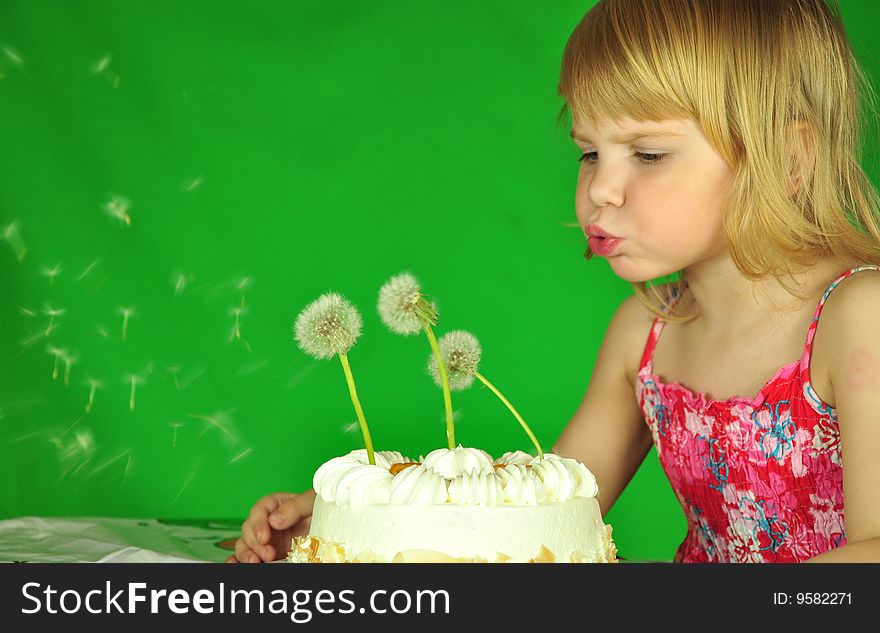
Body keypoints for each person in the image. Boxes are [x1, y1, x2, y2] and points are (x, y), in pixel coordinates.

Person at [228, 0, 880, 563]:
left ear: (789, 160)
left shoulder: (859, 318)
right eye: (590, 151)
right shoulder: (646, 334)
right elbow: (543, 517)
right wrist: (357, 522)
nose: (599, 188)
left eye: (648, 154)